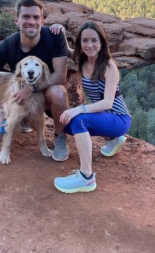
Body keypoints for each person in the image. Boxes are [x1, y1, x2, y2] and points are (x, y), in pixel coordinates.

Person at [0, 0, 70, 162]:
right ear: (17, 20)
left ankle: (60, 136)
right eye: (26, 17)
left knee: (58, 92)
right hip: (16, 96)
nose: (31, 21)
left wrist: (32, 89)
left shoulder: (55, 37)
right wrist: (3, 104)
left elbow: (60, 76)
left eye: (36, 17)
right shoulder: (8, 46)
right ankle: (22, 118)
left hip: (43, 94)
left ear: (42, 20)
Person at [52, 21, 131, 194]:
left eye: (94, 40)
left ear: (102, 42)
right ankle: (113, 139)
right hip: (103, 116)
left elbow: (108, 103)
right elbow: (65, 50)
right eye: (85, 41)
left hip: (118, 117)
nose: (89, 45)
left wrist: (79, 108)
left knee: (79, 119)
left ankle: (86, 177)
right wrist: (61, 32)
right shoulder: (82, 60)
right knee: (70, 125)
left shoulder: (109, 66)